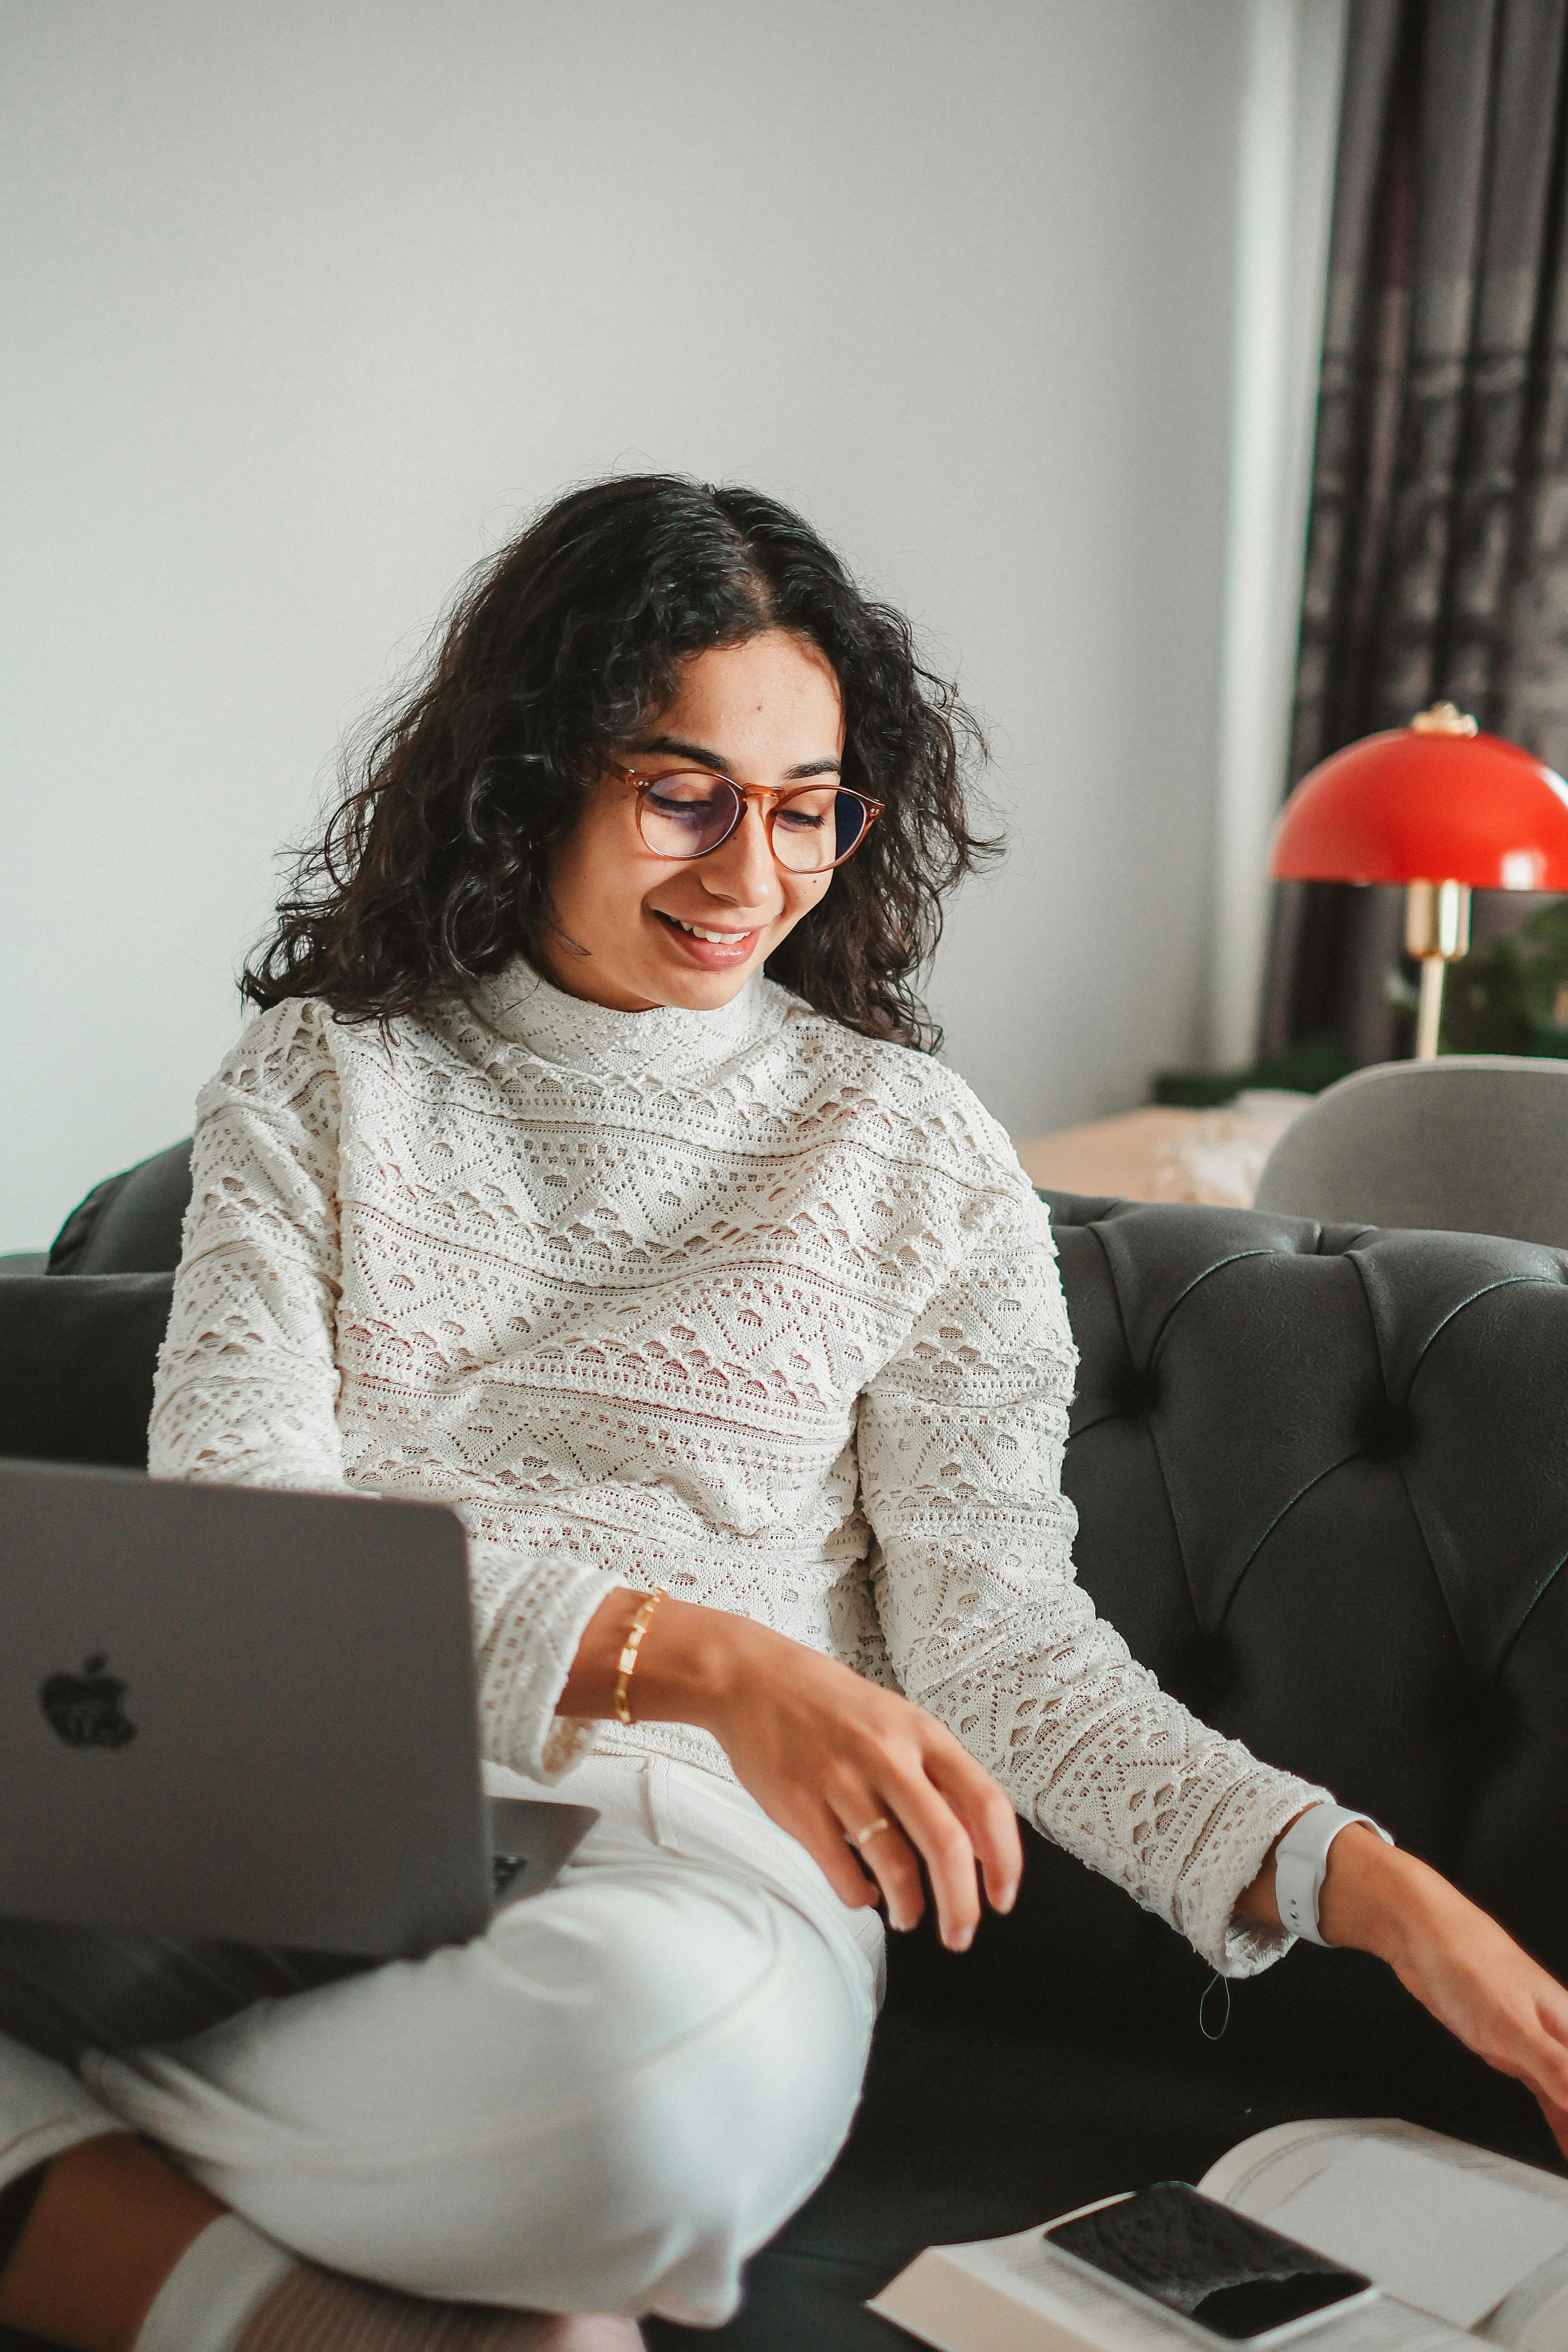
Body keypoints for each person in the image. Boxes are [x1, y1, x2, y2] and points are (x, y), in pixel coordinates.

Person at [2, 476, 1565, 2352]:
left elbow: (1004, 1654)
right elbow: (247, 1536)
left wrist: (1376, 1891)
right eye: (683, 795)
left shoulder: (907, 1151)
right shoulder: (327, 1079)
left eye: (808, 807)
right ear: (533, 771)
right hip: (319, 1809)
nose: (750, 872)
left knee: (652, 2100)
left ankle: (128, 2214)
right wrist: (708, 1661)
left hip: (692, 1878)